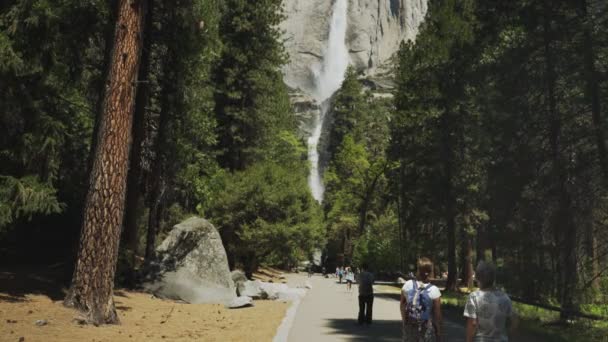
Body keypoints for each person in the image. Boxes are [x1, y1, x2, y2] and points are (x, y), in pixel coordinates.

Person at [464, 261, 518, 342]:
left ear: (478, 278)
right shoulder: (504, 297)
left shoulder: (474, 297)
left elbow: (472, 324)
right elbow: (514, 321)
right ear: (493, 278)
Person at [401, 257, 442, 342]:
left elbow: (402, 304)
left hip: (410, 325)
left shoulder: (407, 285)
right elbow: (437, 316)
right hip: (426, 327)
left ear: (418, 270)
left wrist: (405, 321)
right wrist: (438, 333)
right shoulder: (434, 290)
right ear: (430, 272)